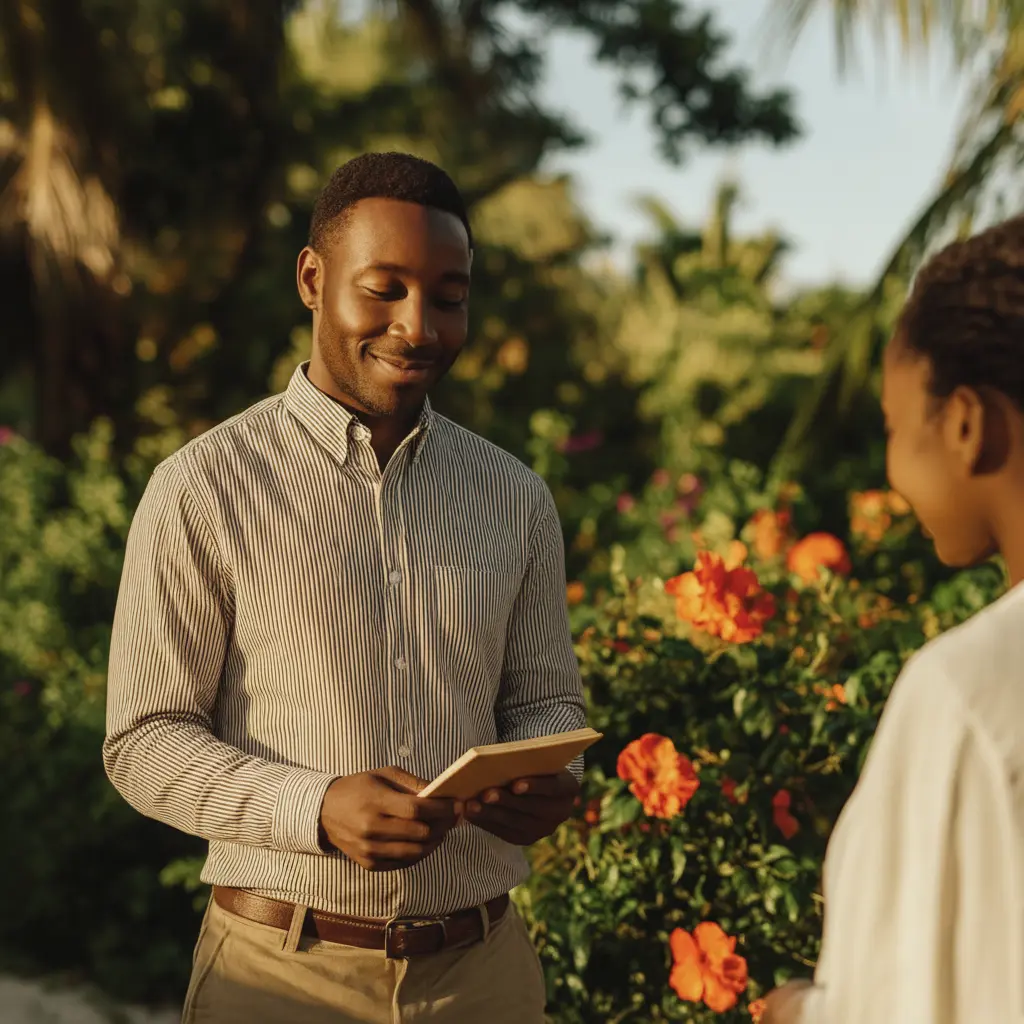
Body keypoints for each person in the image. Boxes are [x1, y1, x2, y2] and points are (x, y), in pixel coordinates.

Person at [103, 151, 588, 1024]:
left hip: (484, 977)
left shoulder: (514, 496)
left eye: (449, 296)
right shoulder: (203, 487)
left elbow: (546, 701)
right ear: (312, 280)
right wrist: (316, 808)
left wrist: (553, 773)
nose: (418, 326)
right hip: (279, 977)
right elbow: (143, 741)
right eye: (384, 289)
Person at [763, 214, 1024, 1023]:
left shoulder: (969, 690)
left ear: (966, 425)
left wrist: (803, 1011)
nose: (890, 463)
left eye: (894, 425)